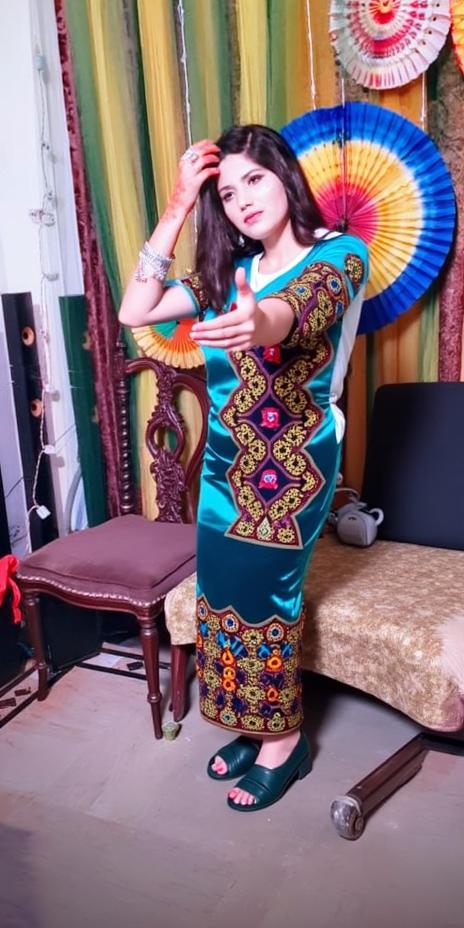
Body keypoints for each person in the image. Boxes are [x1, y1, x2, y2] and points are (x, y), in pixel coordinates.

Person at [119, 125, 369, 812]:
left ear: (284, 177)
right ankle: (247, 727)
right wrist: (176, 207)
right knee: (222, 600)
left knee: (268, 603)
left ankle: (285, 745)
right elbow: (133, 310)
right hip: (225, 467)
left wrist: (259, 323)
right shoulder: (226, 275)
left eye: (254, 180)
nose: (241, 200)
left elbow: (297, 310)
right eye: (226, 193)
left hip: (292, 469)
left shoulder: (342, 255)